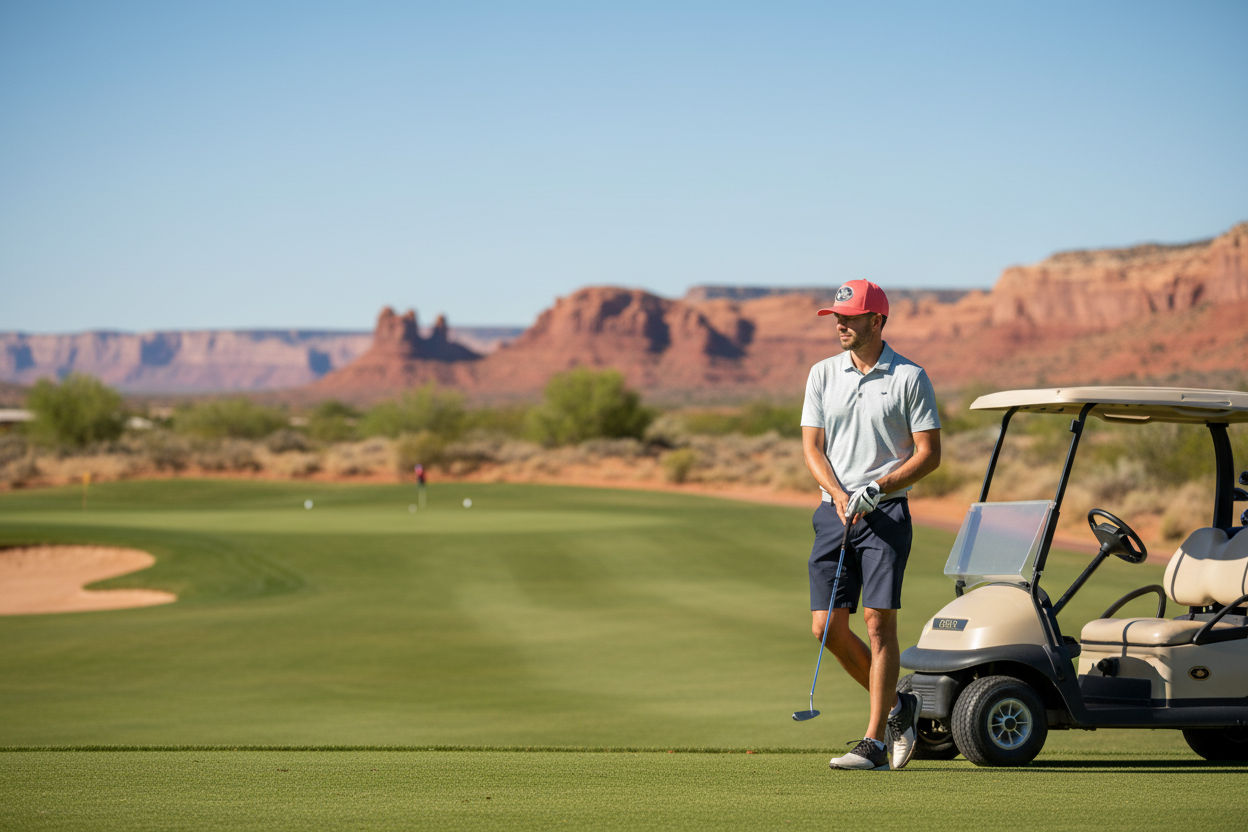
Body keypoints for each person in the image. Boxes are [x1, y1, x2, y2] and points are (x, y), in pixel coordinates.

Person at [801, 279, 941, 771]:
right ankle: (901, 707)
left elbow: (929, 455)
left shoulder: (909, 377)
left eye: (850, 317)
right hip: (833, 513)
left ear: (877, 320)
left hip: (886, 514)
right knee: (826, 627)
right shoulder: (822, 373)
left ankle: (874, 742)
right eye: (836, 317)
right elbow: (812, 448)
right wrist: (839, 494)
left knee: (878, 624)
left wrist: (878, 488)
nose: (840, 324)